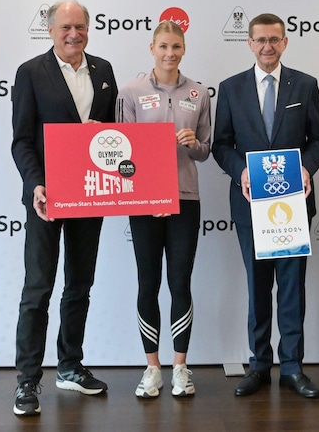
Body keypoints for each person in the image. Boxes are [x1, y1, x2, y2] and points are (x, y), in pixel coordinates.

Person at [212, 13, 319, 399]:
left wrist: (309, 168)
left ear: (285, 42)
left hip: (294, 203)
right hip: (249, 204)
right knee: (258, 287)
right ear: (249, 42)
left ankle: (293, 367)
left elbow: (317, 141)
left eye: (274, 39)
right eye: (260, 39)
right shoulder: (230, 88)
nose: (267, 46)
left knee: (292, 287)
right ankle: (259, 364)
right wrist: (240, 171)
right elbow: (221, 145)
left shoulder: (306, 85)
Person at [10, 0, 118, 416]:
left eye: (81, 26)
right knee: (37, 289)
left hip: (90, 192)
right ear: (50, 30)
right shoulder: (30, 72)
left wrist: (104, 131)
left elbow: (111, 136)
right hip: (46, 199)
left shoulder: (104, 70)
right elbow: (21, 140)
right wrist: (35, 184)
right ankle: (26, 381)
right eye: (66, 27)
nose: (74, 34)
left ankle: (70, 366)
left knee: (79, 285)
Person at [115, 21, 211, 399]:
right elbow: (123, 151)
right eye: (164, 46)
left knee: (180, 283)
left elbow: (206, 150)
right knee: (147, 284)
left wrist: (192, 143)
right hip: (144, 202)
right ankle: (152, 367)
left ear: (184, 49)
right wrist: (148, 193)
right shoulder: (131, 91)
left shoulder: (198, 93)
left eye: (176, 47)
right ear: (152, 48)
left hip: (186, 200)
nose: (170, 53)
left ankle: (180, 368)